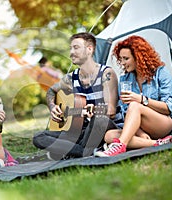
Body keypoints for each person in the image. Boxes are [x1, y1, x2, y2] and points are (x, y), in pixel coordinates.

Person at [33, 32, 122, 160]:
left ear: (89, 49)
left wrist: (87, 111)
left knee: (99, 119)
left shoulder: (106, 74)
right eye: (70, 48)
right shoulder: (70, 78)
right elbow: (51, 91)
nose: (71, 53)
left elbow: (110, 111)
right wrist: (53, 107)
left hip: (103, 126)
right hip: (79, 131)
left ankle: (68, 151)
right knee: (39, 137)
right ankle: (83, 151)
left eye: (76, 48)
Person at [94, 35, 172, 157]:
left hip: (163, 122)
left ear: (138, 57)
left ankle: (120, 146)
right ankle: (157, 143)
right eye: (120, 59)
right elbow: (125, 112)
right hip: (141, 128)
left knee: (135, 105)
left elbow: (168, 108)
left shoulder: (161, 73)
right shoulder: (124, 80)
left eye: (126, 58)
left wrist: (142, 100)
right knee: (109, 136)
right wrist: (140, 132)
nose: (122, 63)